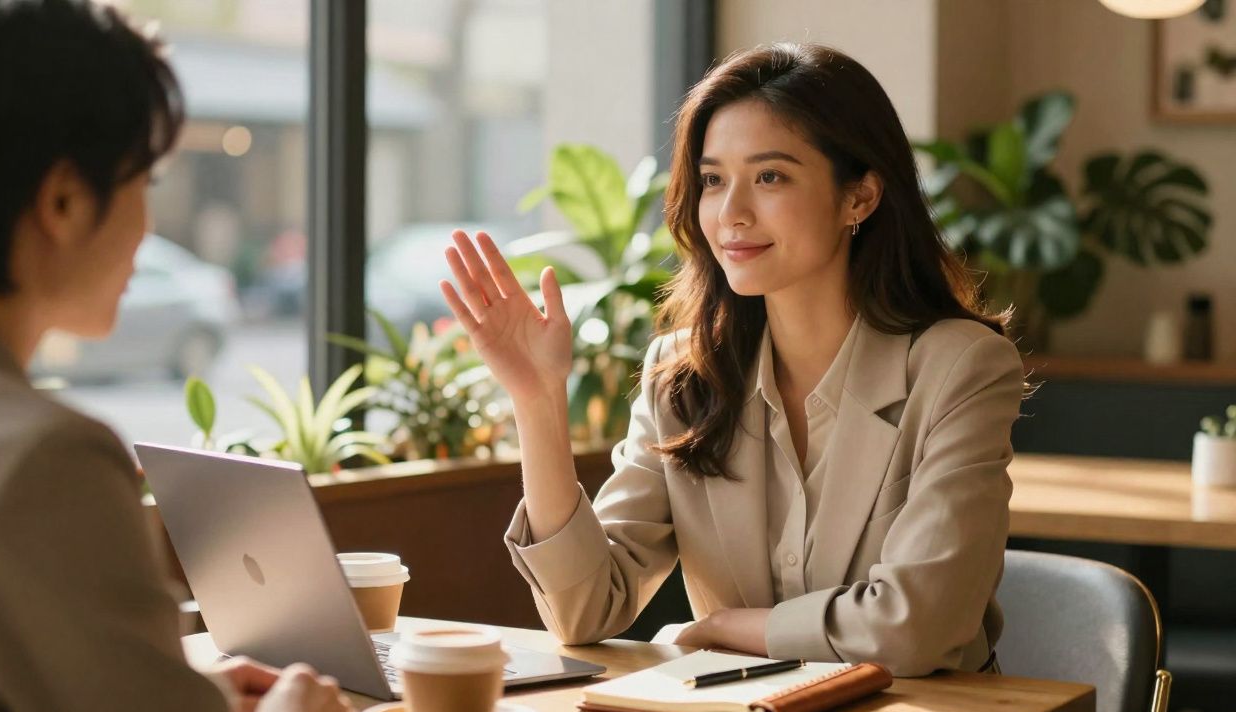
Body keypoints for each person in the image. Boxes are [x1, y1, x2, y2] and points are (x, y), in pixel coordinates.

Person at [439, 42, 1025, 677]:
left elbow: (917, 628)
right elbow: (584, 610)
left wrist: (728, 628)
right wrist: (538, 397)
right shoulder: (682, 377)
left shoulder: (960, 368)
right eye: (714, 180)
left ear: (860, 198)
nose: (731, 214)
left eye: (770, 176)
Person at [0, 1, 356, 712]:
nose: (149, 229)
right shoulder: (39, 461)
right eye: (144, 184)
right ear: (62, 200)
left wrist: (176, 693)